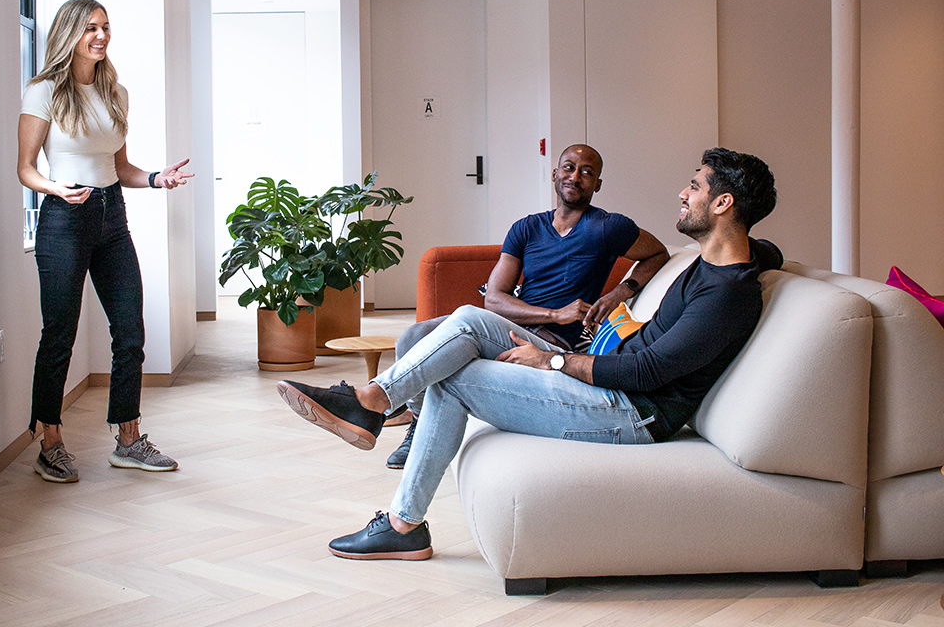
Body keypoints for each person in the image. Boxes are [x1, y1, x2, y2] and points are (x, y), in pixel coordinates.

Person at [277, 147, 780, 560]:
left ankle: (401, 518)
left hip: (633, 412)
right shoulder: (723, 260)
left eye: (694, 186)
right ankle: (373, 401)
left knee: (454, 379)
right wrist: (623, 297)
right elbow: (767, 252)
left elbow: (646, 372)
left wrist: (553, 361)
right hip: (609, 382)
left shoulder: (726, 293)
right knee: (469, 320)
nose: (682, 193)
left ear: (722, 204)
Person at [383, 143, 669, 469]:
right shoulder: (527, 228)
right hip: (513, 325)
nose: (575, 177)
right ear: (554, 173)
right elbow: (494, 297)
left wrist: (620, 292)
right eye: (569, 167)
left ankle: (376, 401)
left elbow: (658, 253)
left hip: (552, 342)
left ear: (597, 184)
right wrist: (553, 313)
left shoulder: (608, 227)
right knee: (411, 337)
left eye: (587, 172)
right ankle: (417, 423)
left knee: (453, 336)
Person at [18, 0, 193, 484]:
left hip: (111, 216)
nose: (100, 36)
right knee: (59, 335)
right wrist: (56, 188)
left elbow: (119, 167)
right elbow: (25, 168)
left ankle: (129, 439)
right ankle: (50, 443)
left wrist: (156, 178)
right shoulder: (44, 92)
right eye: (90, 27)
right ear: (69, 33)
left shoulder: (115, 92)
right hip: (63, 218)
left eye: (105, 27)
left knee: (130, 330)